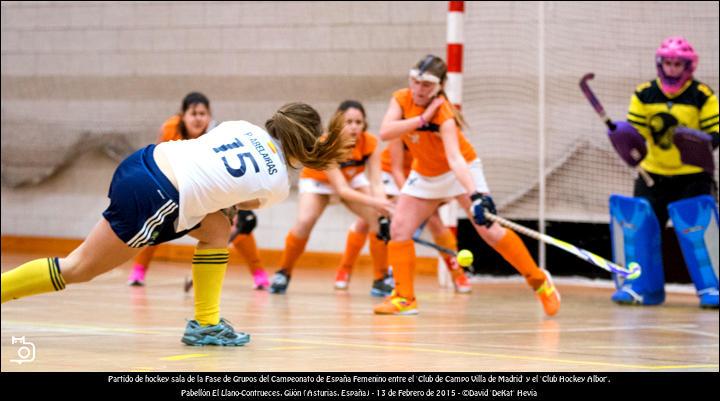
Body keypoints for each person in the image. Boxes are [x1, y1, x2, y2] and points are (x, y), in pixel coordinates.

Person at [1, 102, 353, 346]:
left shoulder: (241, 127)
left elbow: (214, 188)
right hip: (157, 195)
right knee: (77, 268)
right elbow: (236, 202)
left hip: (145, 159)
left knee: (216, 229)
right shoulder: (278, 185)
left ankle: (206, 323)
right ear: (306, 140)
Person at [373, 54, 561, 316]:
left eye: (426, 85)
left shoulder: (445, 114)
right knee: (400, 229)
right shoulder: (401, 98)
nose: (418, 89)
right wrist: (421, 120)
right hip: (425, 173)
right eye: (415, 81)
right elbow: (385, 131)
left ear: (440, 86)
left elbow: (455, 159)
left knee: (490, 232)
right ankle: (404, 298)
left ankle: (540, 282)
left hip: (460, 171)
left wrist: (475, 196)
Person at [607, 36, 719, 308]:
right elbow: (636, 135)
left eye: (677, 64)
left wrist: (696, 142)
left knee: (699, 234)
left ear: (688, 66)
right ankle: (640, 287)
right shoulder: (644, 93)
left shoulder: (701, 95)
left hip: (692, 176)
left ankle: (711, 288)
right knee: (639, 232)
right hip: (653, 175)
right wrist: (623, 139)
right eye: (667, 63)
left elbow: (714, 134)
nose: (671, 69)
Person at [126, 92, 270, 291]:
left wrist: (233, 204)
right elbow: (159, 160)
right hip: (175, 187)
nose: (198, 118)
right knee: (158, 224)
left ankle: (259, 273)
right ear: (182, 115)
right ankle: (139, 270)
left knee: (240, 225)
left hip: (209, 189)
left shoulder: (217, 134)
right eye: (193, 113)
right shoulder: (170, 130)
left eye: (203, 113)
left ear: (209, 116)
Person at [268, 100, 394, 296]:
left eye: (358, 122)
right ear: (338, 123)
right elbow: (341, 190)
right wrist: (378, 202)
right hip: (319, 182)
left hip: (352, 179)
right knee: (305, 221)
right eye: (348, 121)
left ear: (364, 124)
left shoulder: (370, 142)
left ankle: (381, 279)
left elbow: (377, 182)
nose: (354, 127)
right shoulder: (326, 143)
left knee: (378, 220)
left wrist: (384, 206)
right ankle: (283, 272)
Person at [381, 139, 472, 293]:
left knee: (434, 220)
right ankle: (383, 276)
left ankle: (458, 274)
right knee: (373, 221)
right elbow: (396, 170)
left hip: (420, 176)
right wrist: (409, 201)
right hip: (391, 176)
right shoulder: (401, 133)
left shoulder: (434, 136)